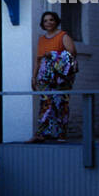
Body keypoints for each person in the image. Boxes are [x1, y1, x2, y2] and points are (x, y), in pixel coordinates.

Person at [30, 11, 78, 142]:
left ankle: (61, 134)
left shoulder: (63, 36)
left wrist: (53, 55)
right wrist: (34, 77)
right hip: (45, 77)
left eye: (51, 20)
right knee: (45, 104)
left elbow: (72, 53)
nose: (48, 23)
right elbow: (38, 60)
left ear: (56, 21)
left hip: (61, 77)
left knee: (61, 104)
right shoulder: (42, 39)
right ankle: (42, 134)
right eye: (45, 21)